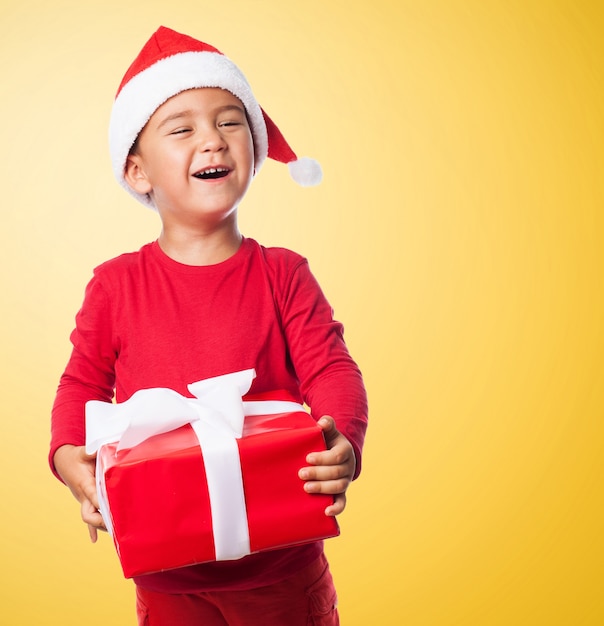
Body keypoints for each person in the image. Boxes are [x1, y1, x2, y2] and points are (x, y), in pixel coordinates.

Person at [49, 26, 368, 626]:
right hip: (166, 573)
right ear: (138, 171)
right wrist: (72, 460)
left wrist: (342, 439)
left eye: (230, 122)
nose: (213, 142)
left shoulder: (283, 273)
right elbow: (80, 386)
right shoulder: (116, 285)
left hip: (284, 567)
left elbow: (331, 368)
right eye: (183, 128)